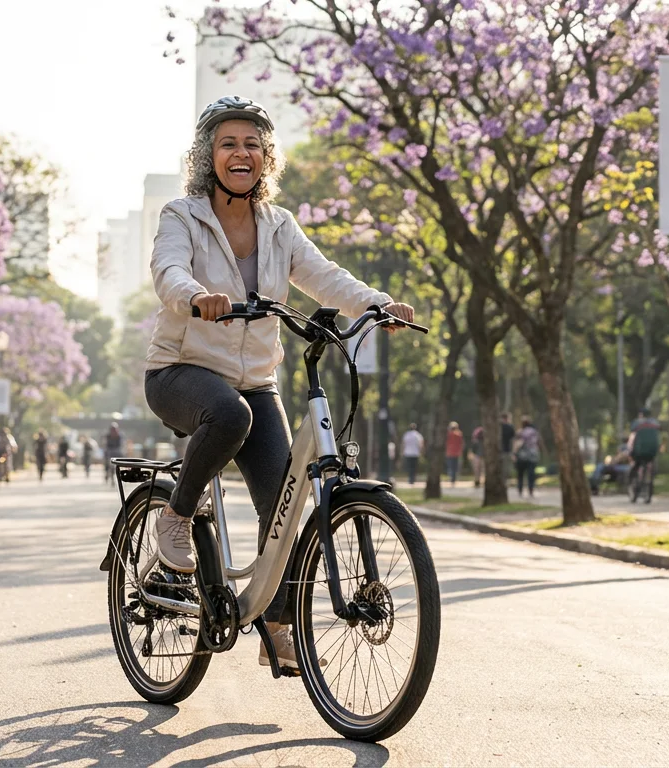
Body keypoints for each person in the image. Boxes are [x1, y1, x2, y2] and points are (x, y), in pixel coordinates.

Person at [144, 95, 415, 671]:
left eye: (252, 144)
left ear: (267, 157)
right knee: (231, 416)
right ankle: (176, 517)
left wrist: (377, 303)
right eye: (228, 143)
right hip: (179, 372)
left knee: (284, 509)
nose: (240, 153)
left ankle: (277, 622)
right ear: (208, 156)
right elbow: (168, 271)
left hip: (254, 380)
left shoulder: (279, 226)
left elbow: (323, 276)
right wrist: (195, 296)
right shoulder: (182, 216)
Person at [627, 408, 662, 490]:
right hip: (653, 450)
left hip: (639, 451)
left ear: (641, 414)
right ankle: (651, 478)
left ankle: (632, 480)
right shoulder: (655, 422)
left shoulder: (637, 422)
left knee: (636, 463)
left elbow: (632, 430)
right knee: (650, 462)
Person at [513, 418, 541, 498]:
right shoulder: (534, 432)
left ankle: (520, 490)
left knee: (520, 474)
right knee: (531, 474)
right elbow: (537, 443)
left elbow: (518, 443)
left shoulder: (520, 432)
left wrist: (514, 453)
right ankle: (531, 490)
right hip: (533, 455)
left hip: (522, 456)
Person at [444, 422, 464, 486]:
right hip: (456, 453)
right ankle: (453, 478)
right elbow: (461, 444)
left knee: (451, 466)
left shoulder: (448, 435)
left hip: (449, 452)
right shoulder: (459, 434)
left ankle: (452, 478)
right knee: (455, 467)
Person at [499, 413, 516, 483]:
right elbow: (514, 440)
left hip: (498, 450)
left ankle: (501, 481)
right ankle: (503, 482)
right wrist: (513, 452)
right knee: (506, 468)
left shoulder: (497, 427)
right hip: (506, 450)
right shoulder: (510, 427)